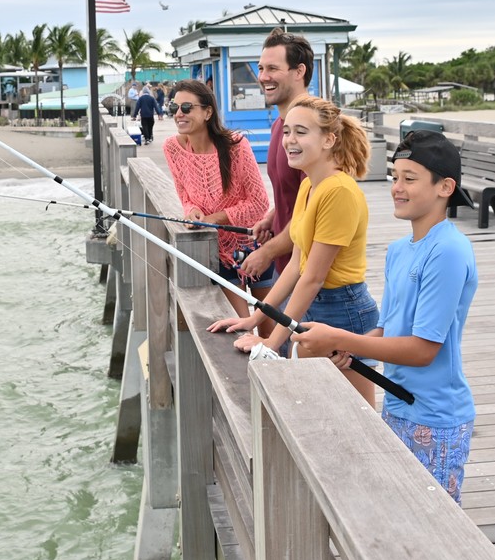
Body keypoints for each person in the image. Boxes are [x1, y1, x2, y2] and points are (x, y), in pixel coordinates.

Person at [292, 129, 479, 504]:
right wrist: (352, 354)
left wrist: (340, 338)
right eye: (395, 177)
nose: (397, 187)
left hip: (435, 417)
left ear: (445, 187)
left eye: (410, 179)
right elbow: (387, 330)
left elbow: (424, 349)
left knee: (433, 527)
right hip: (397, 408)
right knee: (398, 513)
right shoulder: (399, 250)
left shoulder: (449, 251)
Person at [208, 96, 381, 404]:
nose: (289, 140)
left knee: (359, 416)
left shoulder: (338, 191)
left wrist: (273, 344)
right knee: (318, 410)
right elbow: (295, 264)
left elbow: (313, 277)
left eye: (301, 132)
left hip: (344, 310)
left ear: (329, 139)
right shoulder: (309, 185)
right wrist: (254, 317)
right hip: (312, 305)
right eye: (287, 131)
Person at [161, 80, 274, 316]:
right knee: (241, 328)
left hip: (255, 244)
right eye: (174, 108)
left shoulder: (236, 145)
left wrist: (215, 218)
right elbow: (185, 195)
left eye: (187, 108)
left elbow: (259, 203)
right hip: (217, 251)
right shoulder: (172, 148)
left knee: (269, 330)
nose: (179, 114)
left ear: (207, 111)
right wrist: (192, 210)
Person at [236, 29, 314, 293]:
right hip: (287, 268)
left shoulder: (314, 128)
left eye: (272, 68)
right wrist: (273, 217)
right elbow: (294, 193)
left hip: (311, 279)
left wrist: (266, 252)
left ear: (299, 71)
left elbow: (312, 212)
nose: (262, 77)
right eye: (260, 68)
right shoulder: (281, 125)